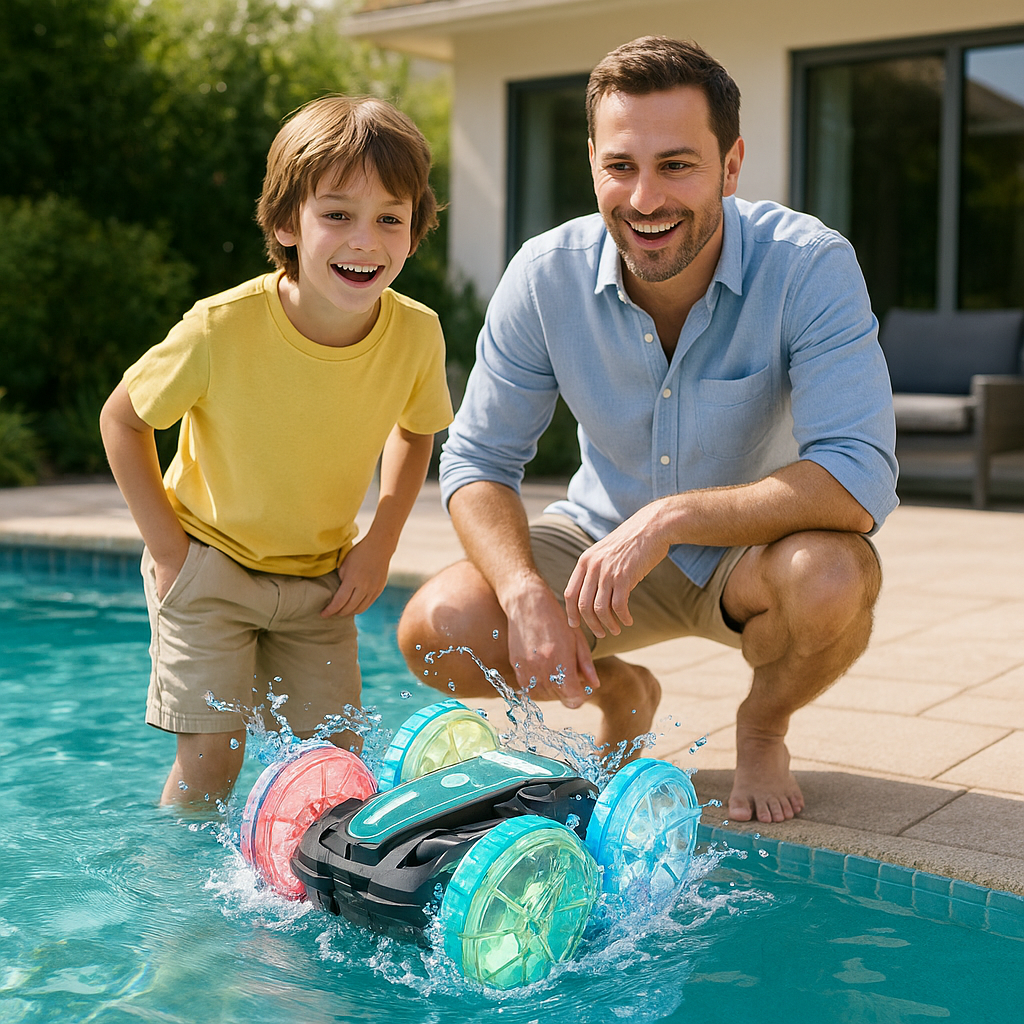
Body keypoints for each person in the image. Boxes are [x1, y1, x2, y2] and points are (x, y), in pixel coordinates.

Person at [397, 37, 897, 825]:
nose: (645, 198)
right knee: (439, 628)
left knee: (832, 578)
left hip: (751, 556)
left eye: (677, 165)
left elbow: (859, 477)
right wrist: (525, 590)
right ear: (593, 161)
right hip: (596, 543)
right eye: (621, 165)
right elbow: (477, 459)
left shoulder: (809, 265)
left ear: (731, 167)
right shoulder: (543, 274)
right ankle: (625, 689)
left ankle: (763, 725)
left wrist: (671, 519)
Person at [100, 96, 453, 807]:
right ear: (289, 222)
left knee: (335, 770)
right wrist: (170, 553)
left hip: (320, 585)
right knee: (212, 763)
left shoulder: (416, 334)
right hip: (208, 564)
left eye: (390, 217)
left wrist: (380, 542)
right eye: (337, 215)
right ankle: (180, 907)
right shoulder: (220, 328)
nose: (365, 240)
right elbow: (122, 421)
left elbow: (417, 432)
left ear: (416, 231)